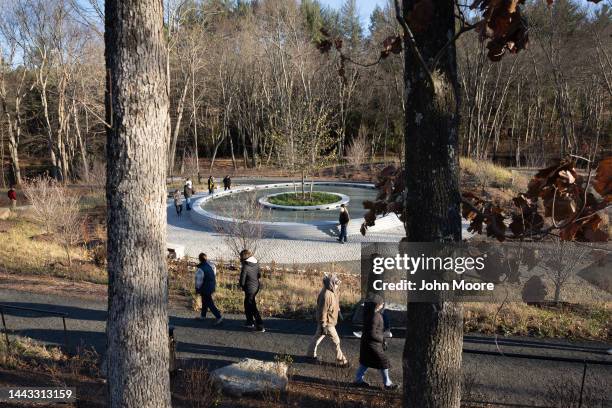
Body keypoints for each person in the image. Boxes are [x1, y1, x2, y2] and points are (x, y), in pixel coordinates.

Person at [354, 294, 398, 390]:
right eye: (382, 304)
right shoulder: (375, 316)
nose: (383, 305)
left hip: (367, 343)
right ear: (377, 305)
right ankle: (387, 383)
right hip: (373, 345)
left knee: (365, 362)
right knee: (383, 362)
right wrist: (383, 337)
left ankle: (358, 380)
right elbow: (372, 333)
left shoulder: (368, 313)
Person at [307, 273, 349, 367]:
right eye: (336, 283)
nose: (338, 285)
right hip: (327, 323)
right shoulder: (326, 294)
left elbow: (335, 303)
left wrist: (338, 311)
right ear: (332, 283)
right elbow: (323, 311)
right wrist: (323, 325)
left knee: (317, 337)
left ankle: (310, 355)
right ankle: (341, 360)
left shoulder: (332, 291)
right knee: (336, 341)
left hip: (328, 321)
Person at [239, 249, 265, 332]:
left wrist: (242, 286)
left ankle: (260, 325)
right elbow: (259, 275)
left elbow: (242, 280)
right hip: (256, 287)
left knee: (251, 306)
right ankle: (249, 322)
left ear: (243, 257)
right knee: (247, 304)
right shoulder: (256, 263)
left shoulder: (245, 266)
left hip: (249, 288)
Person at [194, 253, 223, 325]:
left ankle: (219, 316)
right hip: (211, 286)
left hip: (205, 288)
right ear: (206, 258)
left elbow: (199, 281)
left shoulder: (201, 269)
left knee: (209, 302)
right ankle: (203, 316)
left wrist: (197, 289)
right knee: (204, 301)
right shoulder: (210, 266)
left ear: (199, 259)